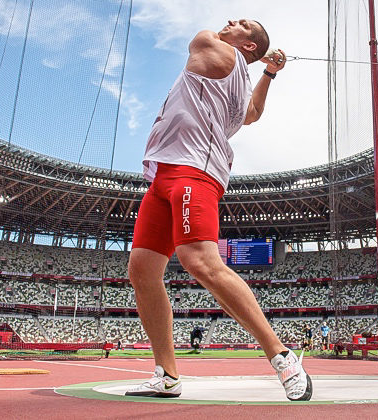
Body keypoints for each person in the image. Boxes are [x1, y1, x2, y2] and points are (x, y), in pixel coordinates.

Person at [125, 19, 311, 401]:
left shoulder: (215, 48)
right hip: (164, 173)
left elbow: (202, 37)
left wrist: (259, 60)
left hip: (194, 171)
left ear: (247, 47)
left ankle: (283, 357)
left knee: (201, 262)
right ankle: (167, 375)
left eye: (243, 24)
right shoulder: (237, 79)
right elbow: (253, 113)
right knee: (142, 270)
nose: (230, 22)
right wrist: (269, 73)